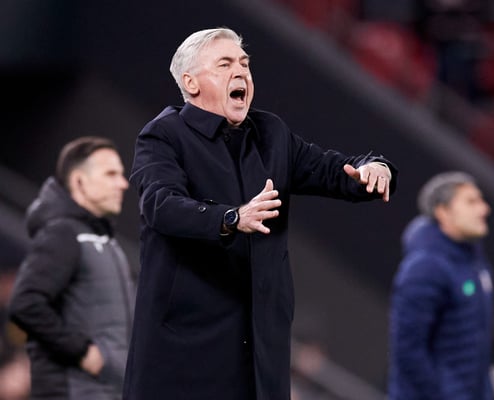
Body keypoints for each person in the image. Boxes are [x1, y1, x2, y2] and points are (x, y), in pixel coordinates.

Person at [124, 27, 398, 400]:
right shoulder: (163, 135)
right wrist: (232, 218)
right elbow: (161, 206)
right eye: (225, 64)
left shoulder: (271, 133)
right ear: (190, 83)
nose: (241, 71)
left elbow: (334, 170)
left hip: (261, 345)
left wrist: (374, 167)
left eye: (244, 63)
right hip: (188, 346)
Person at [8, 136, 135, 400]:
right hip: (73, 389)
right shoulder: (63, 234)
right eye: (111, 174)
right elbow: (26, 303)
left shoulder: (105, 242)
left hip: (105, 390)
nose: (123, 184)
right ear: (79, 181)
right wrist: (82, 351)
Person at [388, 171, 493, 400]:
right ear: (443, 212)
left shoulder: (474, 263)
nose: (484, 209)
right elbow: (408, 350)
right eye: (471, 202)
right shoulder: (425, 267)